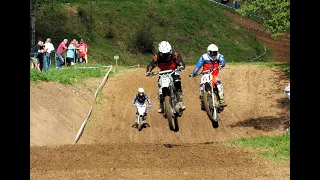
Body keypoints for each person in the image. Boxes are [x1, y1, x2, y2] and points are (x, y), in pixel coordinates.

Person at [146, 41, 186, 113]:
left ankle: (180, 102)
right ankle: (161, 105)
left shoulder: (175, 54)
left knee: (177, 81)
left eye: (167, 53)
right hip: (163, 72)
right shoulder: (157, 57)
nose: (165, 55)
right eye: (163, 54)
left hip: (174, 70)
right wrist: (148, 71)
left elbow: (180, 61)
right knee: (160, 87)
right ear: (160, 52)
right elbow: (151, 65)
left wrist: (182, 66)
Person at [189, 43, 226, 111]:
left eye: (214, 52)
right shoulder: (204, 57)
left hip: (214, 75)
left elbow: (222, 61)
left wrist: (222, 64)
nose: (213, 54)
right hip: (205, 75)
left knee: (219, 84)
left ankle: (221, 100)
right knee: (201, 86)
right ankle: (203, 102)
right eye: (212, 52)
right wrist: (193, 73)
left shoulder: (219, 56)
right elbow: (198, 65)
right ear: (208, 52)